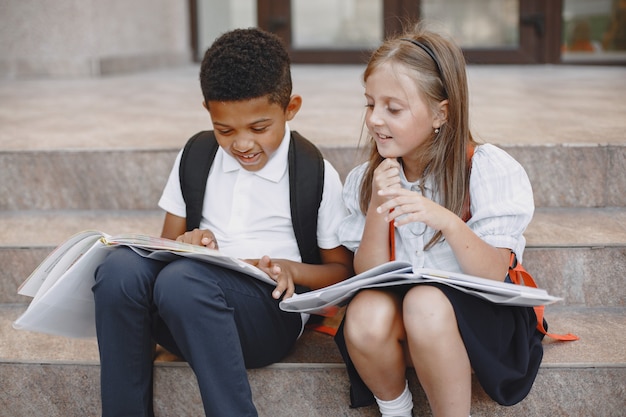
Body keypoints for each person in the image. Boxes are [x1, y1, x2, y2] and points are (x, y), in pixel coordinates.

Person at [92, 27, 353, 417]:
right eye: (225, 130)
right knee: (118, 269)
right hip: (184, 310)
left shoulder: (312, 173)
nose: (242, 144)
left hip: (267, 319)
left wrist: (290, 269)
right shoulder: (196, 155)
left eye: (259, 128)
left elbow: (341, 271)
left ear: (291, 108)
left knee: (183, 281)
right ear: (208, 113)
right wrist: (188, 243)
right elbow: (164, 247)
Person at [334, 23, 544, 417]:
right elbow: (369, 273)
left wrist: (446, 221)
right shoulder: (366, 180)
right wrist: (380, 205)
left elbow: (493, 272)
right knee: (364, 314)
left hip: (481, 319)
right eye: (369, 104)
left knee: (426, 301)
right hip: (405, 321)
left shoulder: (484, 168)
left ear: (439, 113)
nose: (375, 120)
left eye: (393, 108)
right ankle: (396, 409)